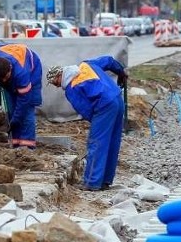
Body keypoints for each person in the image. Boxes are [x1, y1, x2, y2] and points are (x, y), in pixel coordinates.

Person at [46, 57, 129, 191]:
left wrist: (98, 125)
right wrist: (121, 72)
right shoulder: (86, 65)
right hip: (117, 99)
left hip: (104, 106)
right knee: (112, 141)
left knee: (96, 142)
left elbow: (86, 110)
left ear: (60, 75)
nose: (55, 85)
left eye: (54, 81)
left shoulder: (71, 89)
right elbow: (108, 60)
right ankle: (105, 180)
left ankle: (91, 182)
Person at [0, 42, 43, 148]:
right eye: (1, 78)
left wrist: (14, 121)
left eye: (6, 77)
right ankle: (16, 143)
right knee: (12, 108)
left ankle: (28, 146)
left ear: (10, 68)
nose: (3, 80)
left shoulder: (22, 74)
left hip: (32, 70)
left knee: (27, 111)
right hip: (12, 61)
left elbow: (23, 102)